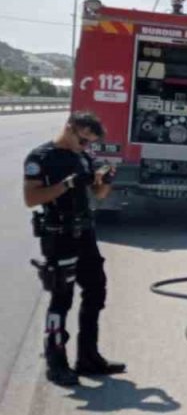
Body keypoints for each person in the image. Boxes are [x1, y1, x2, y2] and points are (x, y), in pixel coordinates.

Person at [22, 111, 125, 387]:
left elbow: (98, 195)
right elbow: (31, 198)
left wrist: (105, 180)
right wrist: (66, 184)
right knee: (61, 299)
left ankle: (88, 357)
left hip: (85, 233)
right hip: (59, 235)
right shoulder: (40, 157)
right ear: (69, 128)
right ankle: (56, 364)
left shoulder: (82, 157)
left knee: (96, 291)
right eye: (83, 140)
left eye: (90, 143)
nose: (85, 147)